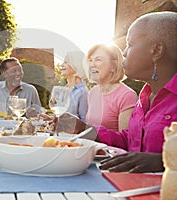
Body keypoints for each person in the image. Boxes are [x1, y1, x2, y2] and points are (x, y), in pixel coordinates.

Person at [55, 11, 177, 173]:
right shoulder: (146, 95)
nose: (125, 53)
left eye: (130, 44)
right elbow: (131, 141)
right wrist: (85, 128)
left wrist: (162, 161)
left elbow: (148, 157)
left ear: (156, 50)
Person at [85, 43, 137, 132]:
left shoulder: (127, 95)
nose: (92, 65)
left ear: (113, 66)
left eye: (98, 60)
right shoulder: (93, 92)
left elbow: (125, 140)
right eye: (90, 60)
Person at [60, 50, 88, 121]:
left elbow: (84, 122)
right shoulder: (64, 90)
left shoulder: (83, 92)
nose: (61, 65)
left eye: (66, 62)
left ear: (76, 65)